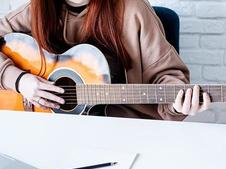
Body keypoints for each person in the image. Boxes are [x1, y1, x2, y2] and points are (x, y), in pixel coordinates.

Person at [0, 0, 210, 121]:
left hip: (125, 132)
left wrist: (178, 104)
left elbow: (168, 76)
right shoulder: (37, 9)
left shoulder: (133, 9)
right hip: (50, 129)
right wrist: (20, 81)